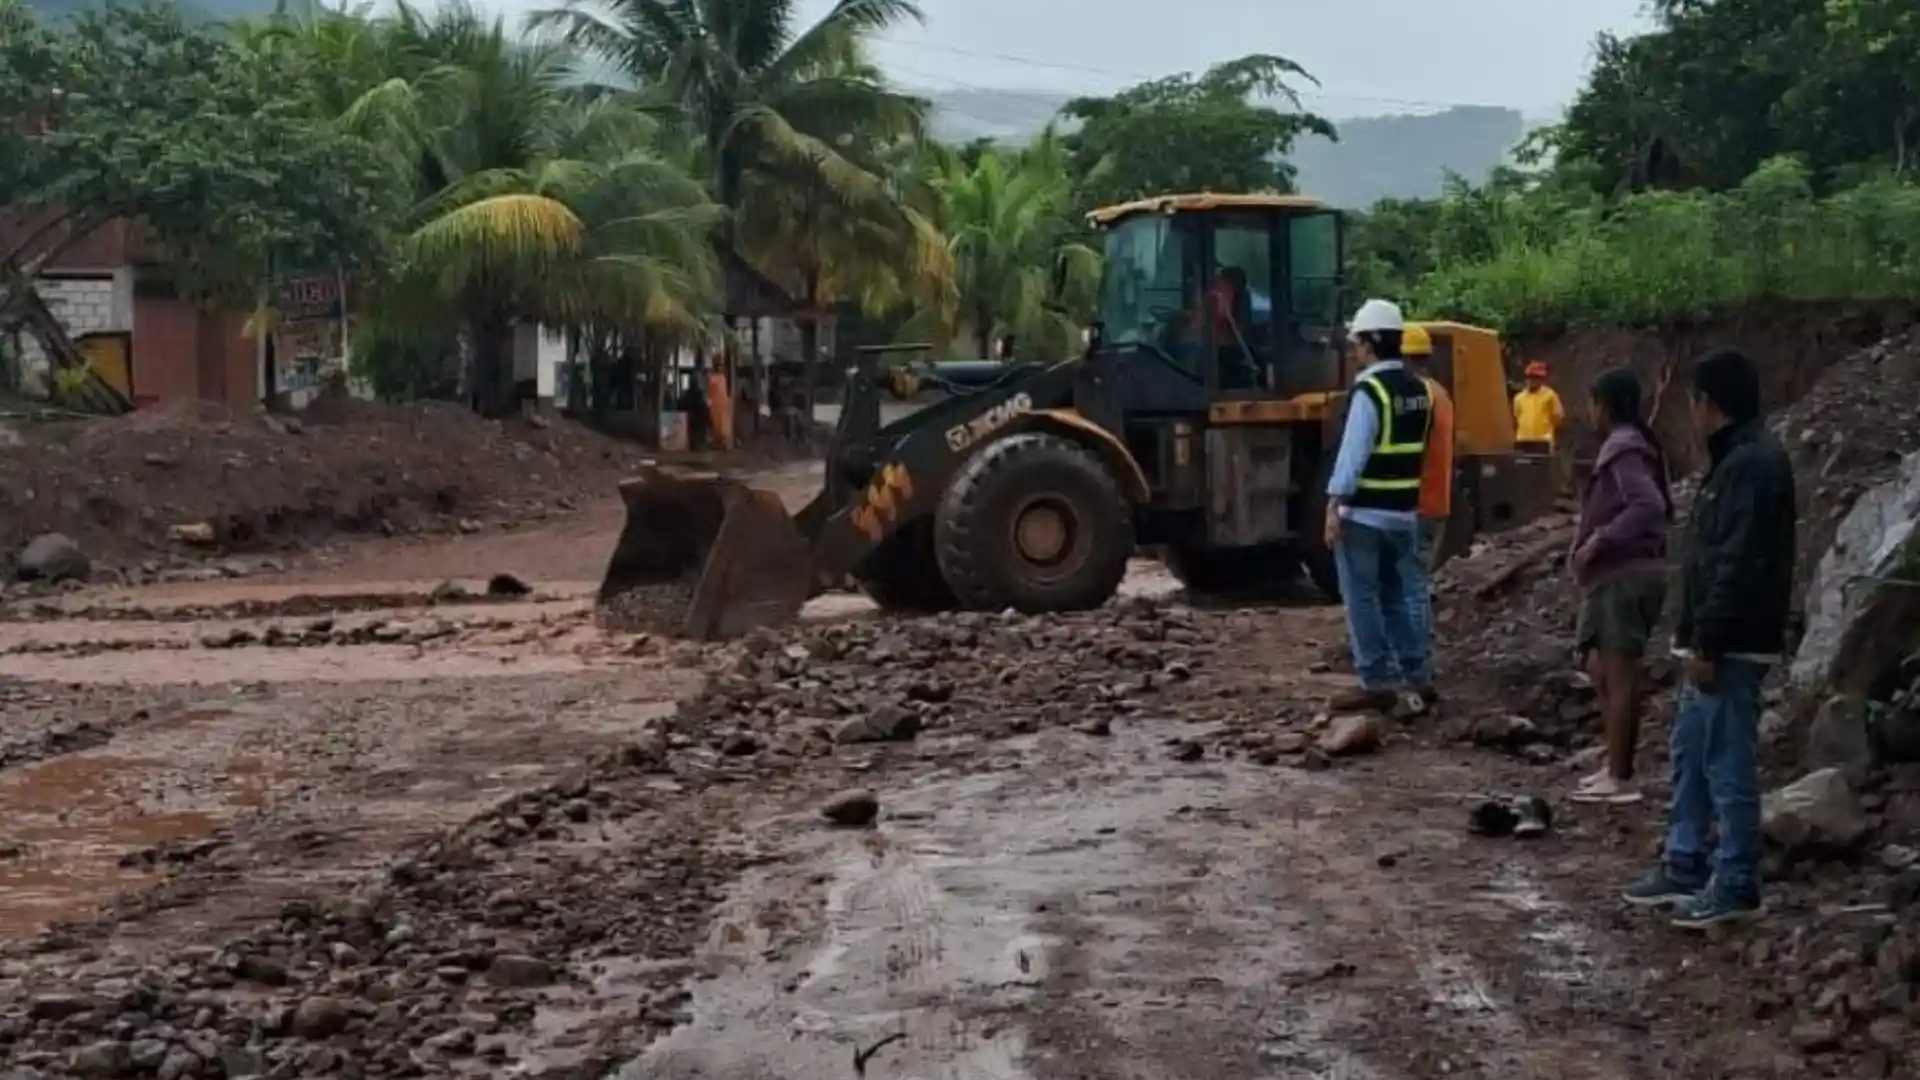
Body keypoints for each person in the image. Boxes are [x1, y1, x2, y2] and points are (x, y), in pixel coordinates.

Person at [1622, 347, 1795, 929]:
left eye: (1693, 400)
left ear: (1709, 404)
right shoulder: (1737, 460)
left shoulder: (1752, 465)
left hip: (1730, 642)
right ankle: (1685, 860)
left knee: (1726, 762)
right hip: (1712, 637)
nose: (1689, 412)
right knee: (1690, 754)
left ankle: (1737, 880)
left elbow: (1738, 561)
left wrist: (1708, 642)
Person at [1324, 298, 1434, 713]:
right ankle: (1416, 674)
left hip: (1365, 516)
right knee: (1396, 596)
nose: (1354, 349)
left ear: (1371, 342)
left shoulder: (1370, 391)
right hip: (1403, 514)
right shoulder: (1419, 391)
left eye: (1357, 341)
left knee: (1363, 599)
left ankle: (1375, 680)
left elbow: (1353, 455)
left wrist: (1334, 505)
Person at [1569, 368, 1673, 806]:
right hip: (1615, 577)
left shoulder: (1624, 448)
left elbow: (1648, 505)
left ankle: (1621, 776)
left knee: (1620, 674)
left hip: (1625, 575)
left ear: (1606, 405)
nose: (1589, 412)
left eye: (1592, 403)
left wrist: (1600, 540)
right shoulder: (1632, 445)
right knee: (1599, 668)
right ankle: (1614, 764)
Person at [1401, 323, 1451, 710]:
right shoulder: (1441, 395)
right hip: (1436, 503)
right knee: (1413, 585)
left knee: (1411, 588)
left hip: (1417, 504)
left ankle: (1416, 673)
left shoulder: (1417, 396)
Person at [1513, 361, 1564, 451]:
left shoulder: (1550, 395)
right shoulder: (1519, 398)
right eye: (1531, 377)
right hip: (1523, 440)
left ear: (1541, 379)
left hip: (1543, 441)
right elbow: (1517, 416)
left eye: (1537, 377)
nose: (1533, 380)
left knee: (1542, 464)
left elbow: (1557, 416)